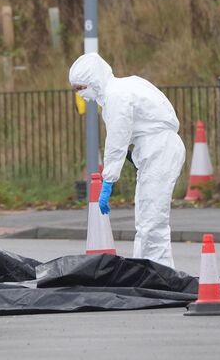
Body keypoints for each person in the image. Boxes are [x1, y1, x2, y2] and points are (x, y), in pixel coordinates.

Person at [69, 53, 185, 268]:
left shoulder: (116, 96)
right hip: (158, 148)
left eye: (80, 88)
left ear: (93, 80)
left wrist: (109, 180)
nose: (80, 94)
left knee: (152, 220)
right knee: (146, 218)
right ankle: (147, 271)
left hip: (159, 150)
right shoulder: (128, 84)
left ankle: (158, 275)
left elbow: (117, 138)